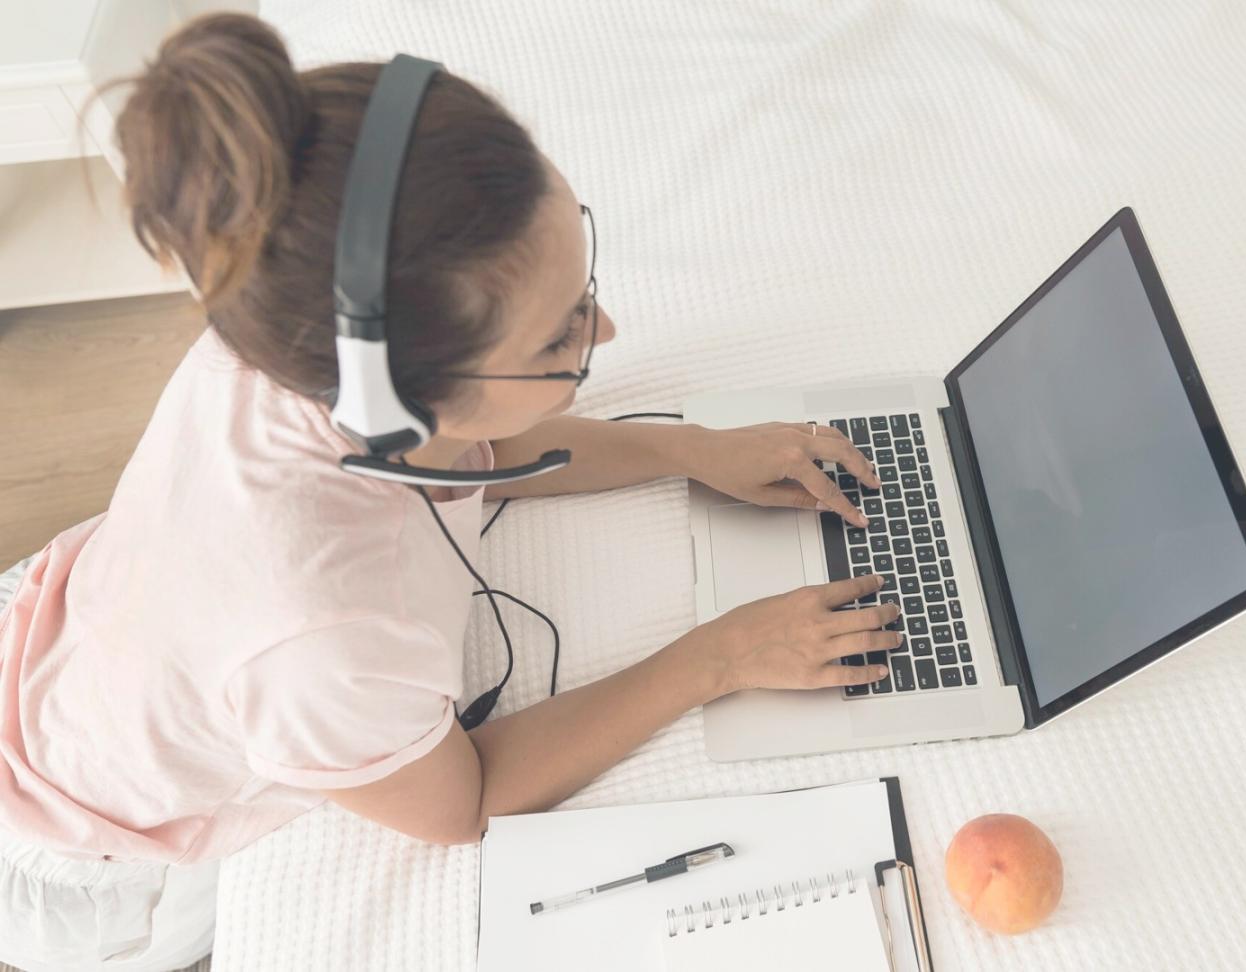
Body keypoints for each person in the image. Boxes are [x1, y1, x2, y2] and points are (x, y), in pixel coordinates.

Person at [0, 13, 902, 969]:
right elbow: (458, 804)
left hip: (69, 637)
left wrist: (692, 452)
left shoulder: (289, 324)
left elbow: (491, 436)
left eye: (581, 285)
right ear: (401, 391)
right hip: (83, 836)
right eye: (558, 337)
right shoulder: (317, 636)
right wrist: (719, 658)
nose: (607, 332)